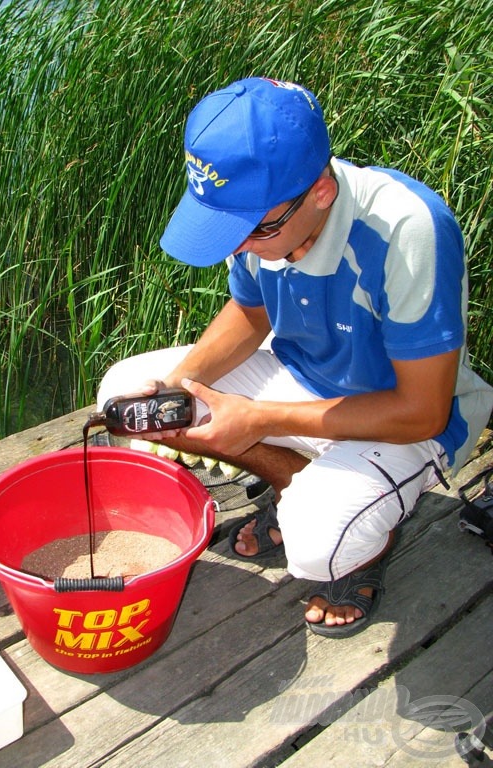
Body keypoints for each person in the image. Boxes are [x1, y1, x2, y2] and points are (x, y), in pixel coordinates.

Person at [97, 77, 493, 638]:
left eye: (253, 229)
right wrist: (177, 385)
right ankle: (298, 483)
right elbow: (252, 312)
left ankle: (364, 534)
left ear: (322, 193)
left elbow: (423, 411)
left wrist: (259, 420)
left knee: (317, 547)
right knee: (127, 390)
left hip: (403, 419)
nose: (236, 247)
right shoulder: (270, 221)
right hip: (301, 375)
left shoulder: (410, 230)